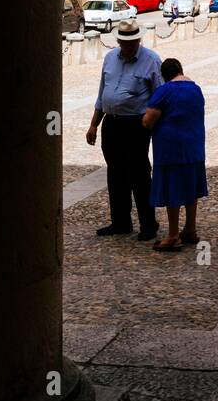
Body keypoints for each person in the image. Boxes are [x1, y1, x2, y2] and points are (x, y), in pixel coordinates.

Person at [86, 19, 162, 240]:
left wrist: (153, 126)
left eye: (132, 42)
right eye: (124, 42)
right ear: (118, 40)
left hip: (136, 124)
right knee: (115, 173)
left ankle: (149, 223)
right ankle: (120, 222)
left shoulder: (151, 61)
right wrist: (94, 124)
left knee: (139, 174)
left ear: (138, 40)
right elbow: (102, 94)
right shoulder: (110, 58)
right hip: (112, 122)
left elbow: (159, 98)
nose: (128, 46)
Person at [142, 58, 207, 253]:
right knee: (191, 188)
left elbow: (148, 120)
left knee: (173, 190)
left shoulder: (165, 90)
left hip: (171, 149)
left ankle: (172, 236)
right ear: (181, 69)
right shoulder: (196, 89)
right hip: (194, 146)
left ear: (164, 75)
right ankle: (190, 229)